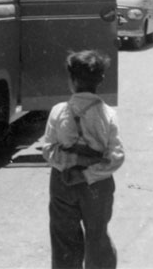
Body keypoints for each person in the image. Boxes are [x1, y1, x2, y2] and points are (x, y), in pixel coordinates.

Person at [42, 50, 125, 269]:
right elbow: (116, 157)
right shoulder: (108, 114)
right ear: (101, 80)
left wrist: (70, 165)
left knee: (64, 240)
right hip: (97, 185)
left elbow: (49, 150)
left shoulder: (58, 111)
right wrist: (87, 174)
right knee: (97, 237)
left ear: (72, 80)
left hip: (63, 181)